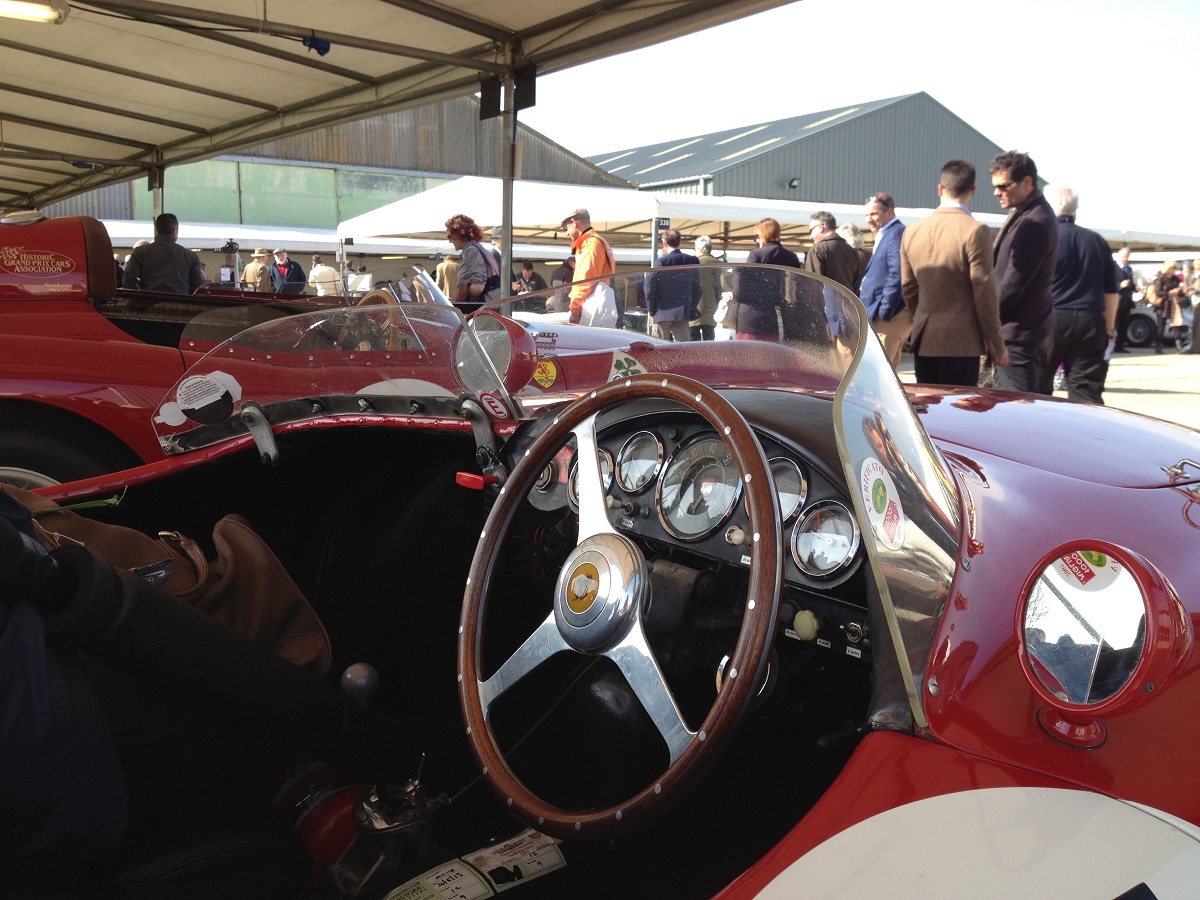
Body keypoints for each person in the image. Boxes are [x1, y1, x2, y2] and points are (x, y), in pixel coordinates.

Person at [900, 161, 1006, 387]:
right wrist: (996, 345)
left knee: (927, 405)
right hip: (962, 341)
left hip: (925, 338)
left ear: (940, 189)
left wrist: (923, 317)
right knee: (958, 406)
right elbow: (983, 291)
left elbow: (908, 287)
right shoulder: (976, 230)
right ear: (973, 190)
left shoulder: (912, 231)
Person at [1039, 187, 1119, 402]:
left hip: (1051, 318)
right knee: (1086, 391)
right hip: (1090, 320)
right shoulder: (1096, 241)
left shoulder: (1044, 236)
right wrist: (1109, 327)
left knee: (1037, 387)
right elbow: (1111, 292)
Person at [989, 151, 1058, 393]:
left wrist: (984, 318)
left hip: (1020, 338)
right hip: (1021, 334)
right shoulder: (1028, 215)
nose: (997, 192)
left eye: (1003, 186)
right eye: (995, 186)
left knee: (1020, 408)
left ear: (1027, 182)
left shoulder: (1034, 222)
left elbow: (1013, 284)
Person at [859, 192, 909, 368]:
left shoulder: (896, 233)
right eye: (866, 215)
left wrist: (885, 310)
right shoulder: (886, 234)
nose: (869, 220)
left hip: (888, 317)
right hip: (880, 313)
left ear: (890, 212)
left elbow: (898, 272)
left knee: (879, 371)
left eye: (873, 214)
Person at [734, 217, 800, 341]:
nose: (757, 240)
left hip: (755, 316)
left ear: (764, 234)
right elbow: (796, 287)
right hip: (785, 316)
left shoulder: (756, 255)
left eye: (758, 236)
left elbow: (743, 290)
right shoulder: (792, 257)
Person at [122, 213, 204, 294]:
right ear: (175, 231)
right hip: (179, 301)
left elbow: (128, 280)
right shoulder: (190, 256)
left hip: (149, 300)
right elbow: (197, 288)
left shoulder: (140, 253)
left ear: (157, 230)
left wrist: (140, 295)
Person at [644, 229, 701, 342]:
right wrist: (691, 307)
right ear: (680, 242)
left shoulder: (661, 262)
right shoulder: (692, 260)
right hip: (683, 313)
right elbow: (697, 288)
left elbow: (650, 287)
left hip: (661, 312)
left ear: (664, 243)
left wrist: (651, 309)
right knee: (683, 349)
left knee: (660, 347)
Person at [563, 208, 616, 326]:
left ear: (574, 222)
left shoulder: (590, 244)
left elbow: (585, 281)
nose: (566, 233)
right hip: (601, 304)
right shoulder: (598, 241)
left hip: (590, 308)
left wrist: (575, 310)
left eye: (566, 228)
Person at [445, 213, 501, 306]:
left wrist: (462, 292)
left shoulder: (471, 251)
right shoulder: (480, 249)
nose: (450, 241)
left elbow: (478, 286)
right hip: (491, 305)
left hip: (480, 308)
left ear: (459, 234)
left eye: (450, 236)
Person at [804, 211, 864, 294]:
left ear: (820, 227)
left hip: (825, 301)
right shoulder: (852, 251)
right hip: (848, 301)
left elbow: (813, 285)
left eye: (811, 230)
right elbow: (856, 286)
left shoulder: (817, 250)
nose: (811, 236)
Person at [691, 236, 723, 341]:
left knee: (693, 344)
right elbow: (720, 289)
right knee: (709, 343)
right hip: (711, 310)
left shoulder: (692, 263)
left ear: (700, 249)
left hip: (693, 310)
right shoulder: (718, 264)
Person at [1150, 260, 1184, 353]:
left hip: (1174, 304)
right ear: (1167, 269)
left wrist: (1180, 290)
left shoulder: (1176, 279)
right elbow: (1158, 292)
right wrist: (1169, 293)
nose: (1173, 270)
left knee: (1177, 324)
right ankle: (1158, 346)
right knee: (1161, 326)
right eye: (1172, 268)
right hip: (1163, 306)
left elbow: (1181, 292)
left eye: (1174, 268)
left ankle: (1178, 345)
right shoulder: (1161, 279)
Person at [1112, 247, 1135, 353]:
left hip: (1126, 301)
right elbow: (1108, 284)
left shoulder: (1129, 269)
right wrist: (1120, 285)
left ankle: (1120, 346)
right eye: (1125, 257)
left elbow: (1130, 283)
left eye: (1128, 257)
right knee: (1114, 324)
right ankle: (1111, 345)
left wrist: (1134, 287)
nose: (1126, 259)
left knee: (1124, 324)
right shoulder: (1113, 268)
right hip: (1116, 300)